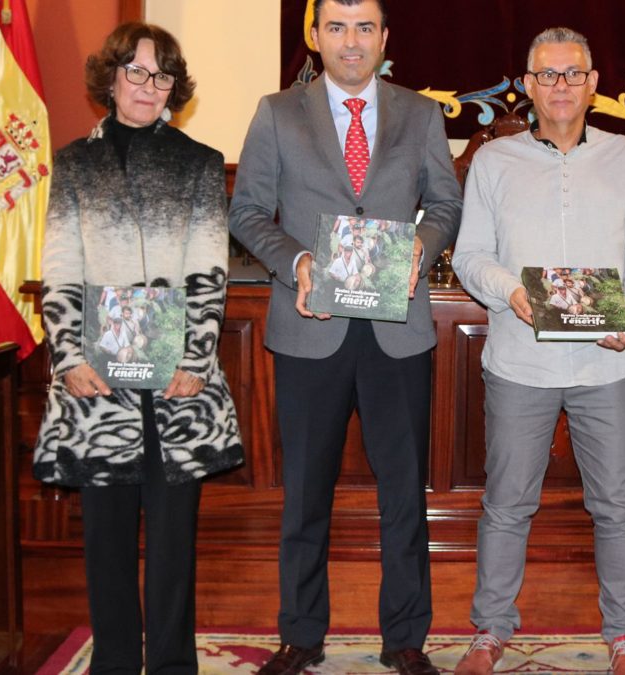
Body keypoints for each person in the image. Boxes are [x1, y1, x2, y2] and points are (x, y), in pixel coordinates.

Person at [227, 0, 461, 673]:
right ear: (315, 35)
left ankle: (405, 637)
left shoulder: (421, 114)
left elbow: (445, 203)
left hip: (398, 328)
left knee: (403, 495)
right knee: (304, 494)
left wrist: (421, 243)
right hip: (309, 327)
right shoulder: (277, 112)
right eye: (337, 27)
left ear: (385, 37)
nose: (351, 41)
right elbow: (247, 211)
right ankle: (301, 634)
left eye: (364, 28)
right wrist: (298, 261)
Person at [450, 26, 625, 675]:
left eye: (573, 73)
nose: (561, 86)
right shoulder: (494, 160)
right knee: (508, 501)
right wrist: (511, 292)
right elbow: (470, 256)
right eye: (547, 75)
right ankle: (490, 630)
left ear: (595, 83)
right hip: (521, 360)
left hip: (609, 360)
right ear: (527, 85)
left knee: (616, 503)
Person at [33, 22, 244, 673]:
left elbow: (210, 270)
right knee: (106, 542)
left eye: (162, 74)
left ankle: (175, 665)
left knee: (175, 544)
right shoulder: (74, 163)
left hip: (179, 384)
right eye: (136, 70)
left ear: (174, 87)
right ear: (111, 78)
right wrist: (68, 355)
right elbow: (61, 266)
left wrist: (196, 357)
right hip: (98, 385)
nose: (149, 85)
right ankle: (116, 663)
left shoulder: (200, 163)